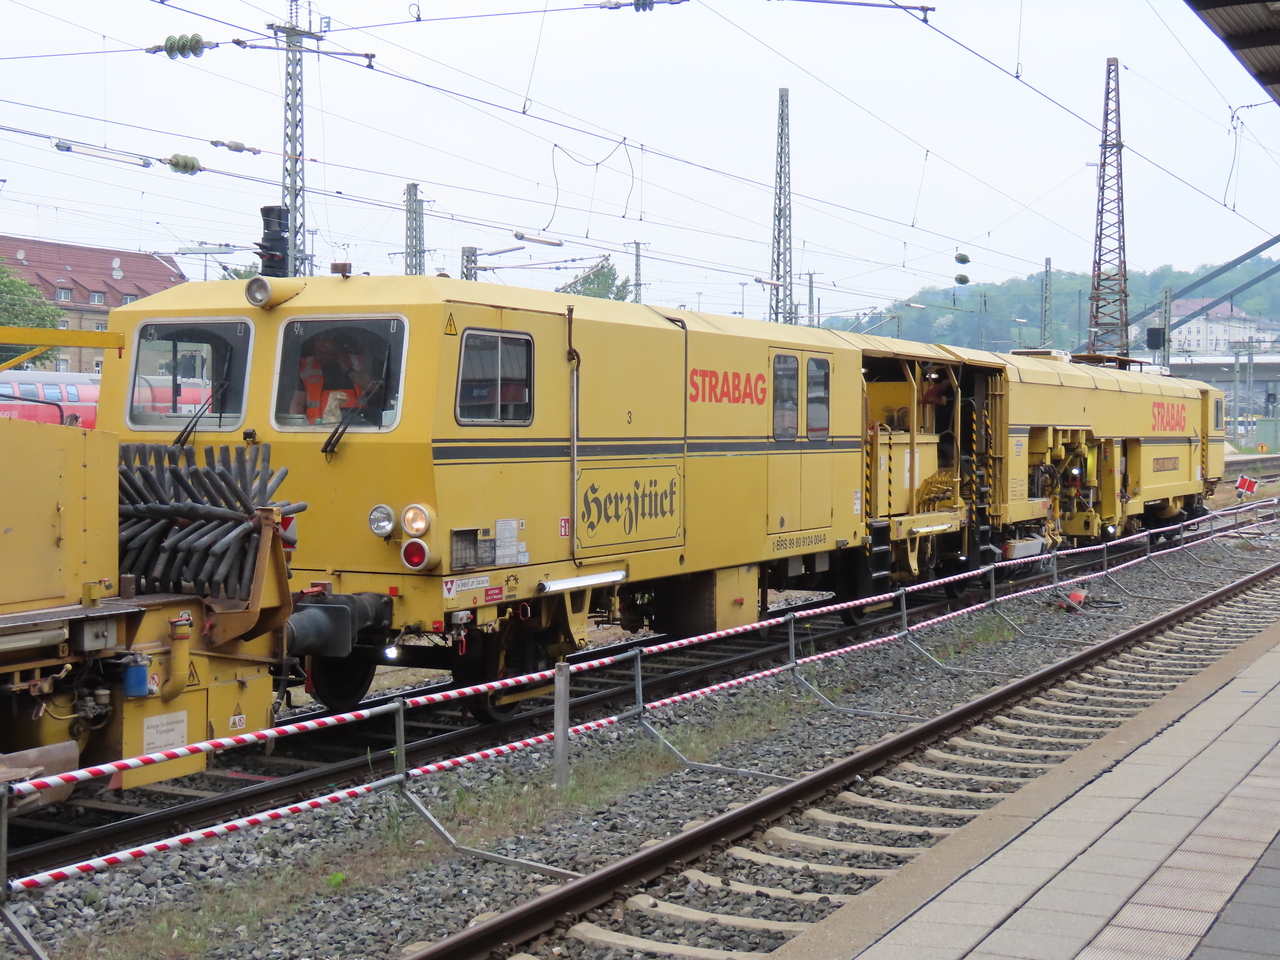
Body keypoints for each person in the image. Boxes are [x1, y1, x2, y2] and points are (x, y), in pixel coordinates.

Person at [290, 331, 371, 424]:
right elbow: (298, 403)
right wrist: (296, 426)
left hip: (356, 426)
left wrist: (348, 370)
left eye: (328, 353)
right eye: (320, 353)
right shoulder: (307, 368)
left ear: (338, 350)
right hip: (316, 428)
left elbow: (373, 387)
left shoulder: (355, 362)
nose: (324, 357)